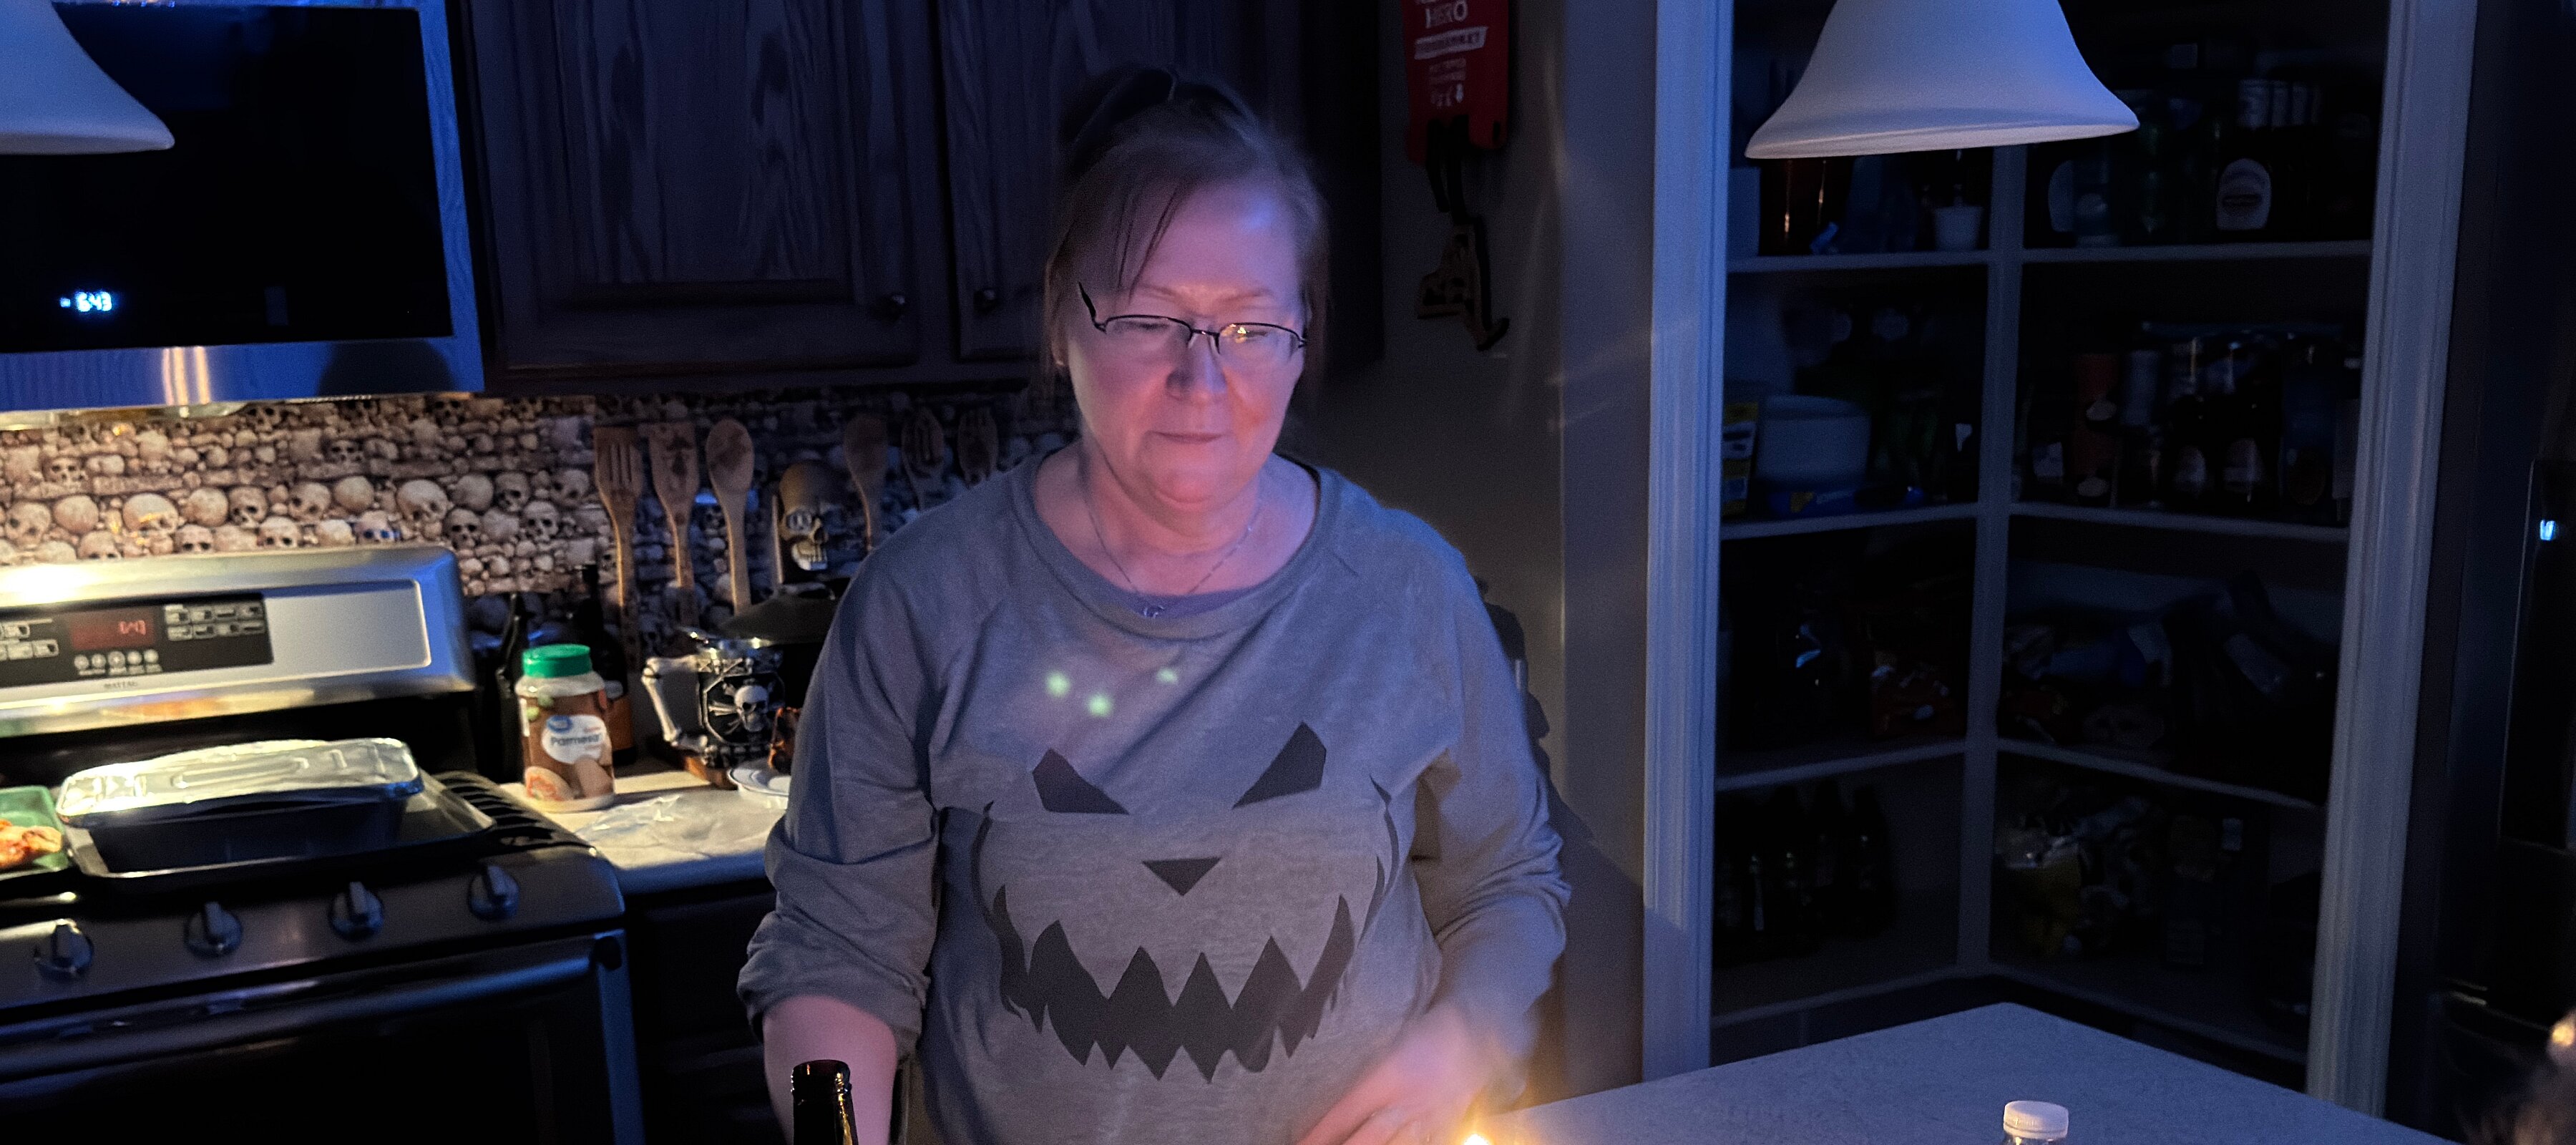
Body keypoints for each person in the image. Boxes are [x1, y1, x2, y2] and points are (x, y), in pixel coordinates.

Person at [738, 69, 1569, 1145]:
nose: (1201, 379)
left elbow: (1505, 883)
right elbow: (836, 954)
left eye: (1251, 326)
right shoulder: (921, 607)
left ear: (1302, 335)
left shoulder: (1409, 588)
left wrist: (1467, 1040)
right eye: (1146, 318)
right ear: (1061, 319)